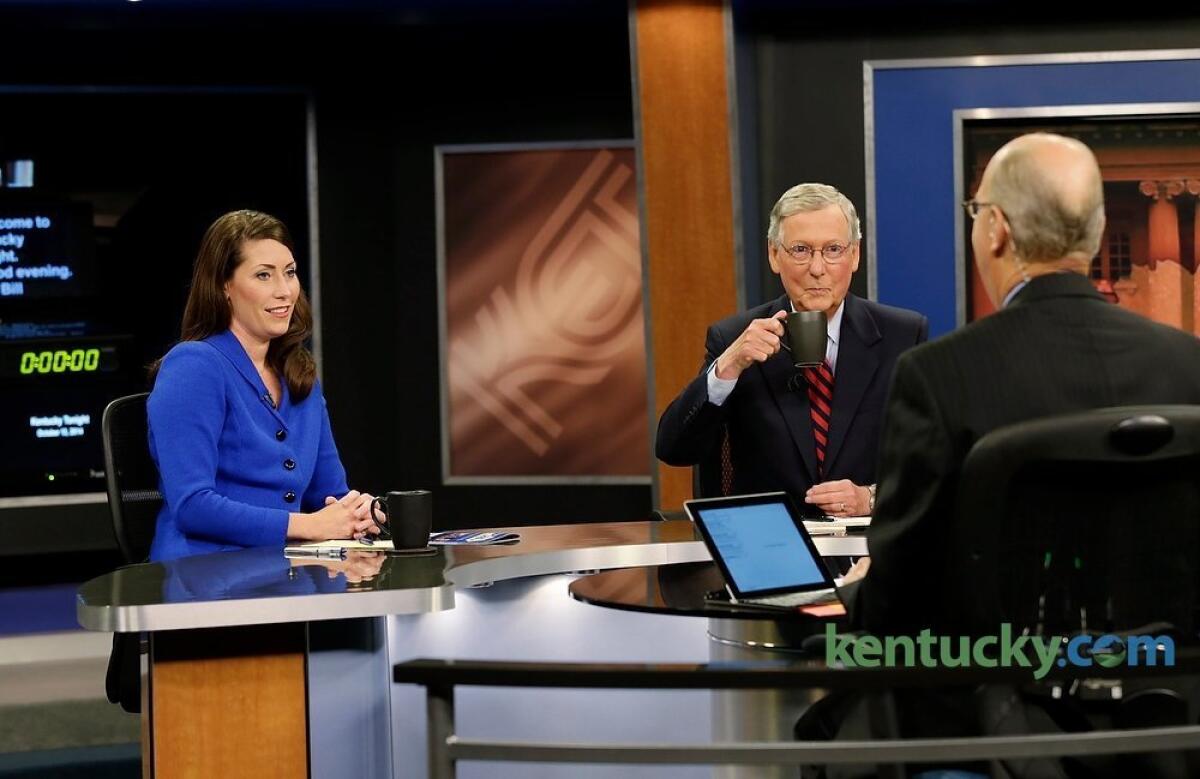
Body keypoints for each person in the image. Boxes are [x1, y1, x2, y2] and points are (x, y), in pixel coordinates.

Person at [842, 132, 1200, 633]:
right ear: (1096, 236)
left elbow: (898, 606)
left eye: (976, 212)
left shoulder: (937, 377)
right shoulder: (1190, 364)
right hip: (1171, 692)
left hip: (996, 692)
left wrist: (856, 590)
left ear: (997, 230)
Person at [656, 183, 928, 515]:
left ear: (854, 255)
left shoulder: (902, 335)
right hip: (771, 550)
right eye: (800, 250)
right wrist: (727, 367)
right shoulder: (733, 338)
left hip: (868, 552)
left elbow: (931, 462)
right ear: (774, 255)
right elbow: (673, 449)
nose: (817, 268)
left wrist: (870, 498)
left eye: (833, 250)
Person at [146, 210, 379, 561]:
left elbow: (329, 494)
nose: (284, 291)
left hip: (288, 572)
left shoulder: (300, 376)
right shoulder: (193, 366)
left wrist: (359, 513)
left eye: (289, 273)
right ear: (224, 285)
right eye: (264, 276)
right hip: (204, 576)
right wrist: (310, 526)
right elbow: (193, 506)